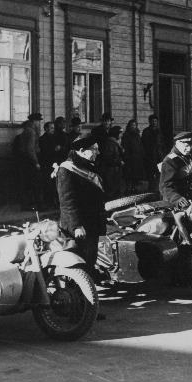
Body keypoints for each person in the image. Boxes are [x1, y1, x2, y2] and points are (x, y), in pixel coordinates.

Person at [56, 135, 108, 320]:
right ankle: (75, 309)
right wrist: (77, 225)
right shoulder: (67, 170)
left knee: (89, 265)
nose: (97, 152)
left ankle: (87, 307)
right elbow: (67, 202)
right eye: (93, 149)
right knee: (76, 268)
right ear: (80, 151)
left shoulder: (87, 166)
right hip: (78, 229)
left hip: (91, 225)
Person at [159, 131, 192, 208]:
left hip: (191, 201)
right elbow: (165, 187)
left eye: (190, 146)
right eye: (186, 146)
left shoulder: (187, 157)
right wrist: (177, 199)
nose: (189, 149)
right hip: (176, 204)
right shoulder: (170, 161)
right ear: (177, 143)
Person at [12, 113, 43, 210]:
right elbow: (30, 149)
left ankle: (27, 205)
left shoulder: (26, 130)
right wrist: (36, 162)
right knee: (36, 183)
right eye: (38, 121)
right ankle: (39, 206)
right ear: (34, 121)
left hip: (24, 160)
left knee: (26, 183)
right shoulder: (31, 132)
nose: (39, 123)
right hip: (29, 160)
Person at [98, 125, 124, 200]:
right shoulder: (110, 143)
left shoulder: (115, 142)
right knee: (111, 191)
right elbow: (108, 158)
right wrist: (119, 162)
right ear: (116, 133)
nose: (121, 135)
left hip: (115, 170)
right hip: (110, 171)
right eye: (120, 133)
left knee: (115, 190)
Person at [142, 114, 166, 192]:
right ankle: (151, 189)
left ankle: (158, 188)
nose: (154, 122)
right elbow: (143, 144)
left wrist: (163, 153)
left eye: (155, 121)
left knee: (159, 172)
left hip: (159, 155)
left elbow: (162, 143)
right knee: (150, 174)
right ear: (150, 122)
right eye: (152, 121)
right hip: (150, 156)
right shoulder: (146, 131)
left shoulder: (159, 131)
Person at [122, 119, 146, 194]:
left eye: (134, 125)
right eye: (132, 125)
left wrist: (142, 154)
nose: (133, 127)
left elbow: (140, 145)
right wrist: (127, 156)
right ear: (129, 126)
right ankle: (129, 189)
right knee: (129, 175)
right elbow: (125, 146)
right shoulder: (126, 135)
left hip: (137, 158)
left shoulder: (137, 134)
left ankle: (135, 188)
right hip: (130, 158)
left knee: (136, 175)